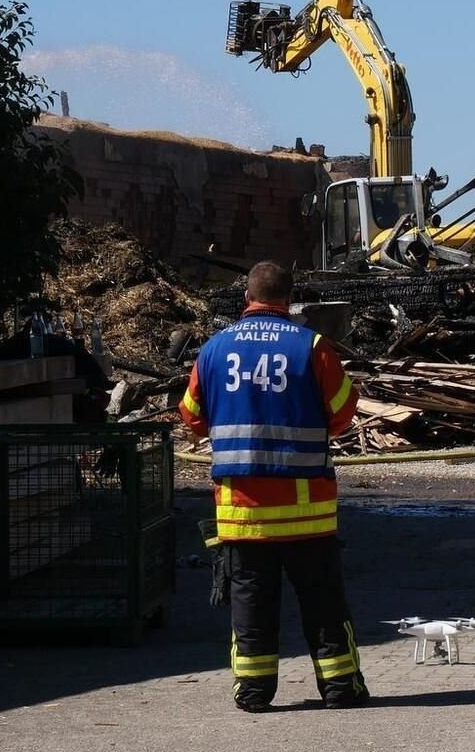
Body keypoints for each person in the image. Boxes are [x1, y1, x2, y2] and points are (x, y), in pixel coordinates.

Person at [179, 261, 369, 712]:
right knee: (322, 604)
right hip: (307, 514)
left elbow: (190, 416)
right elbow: (343, 413)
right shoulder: (313, 348)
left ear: (247, 297)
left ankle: (254, 691)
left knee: (251, 605)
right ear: (289, 297)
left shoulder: (213, 350)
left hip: (242, 514)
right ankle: (340, 688)